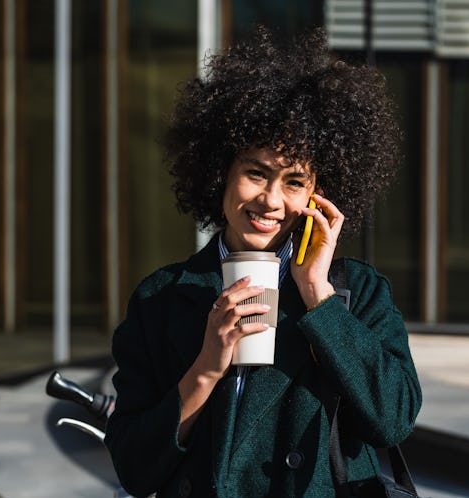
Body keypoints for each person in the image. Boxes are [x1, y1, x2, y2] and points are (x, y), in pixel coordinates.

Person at [104, 26, 422, 498]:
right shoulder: (162, 296)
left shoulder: (358, 290)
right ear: (221, 172)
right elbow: (134, 468)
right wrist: (208, 367)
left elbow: (393, 420)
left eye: (294, 182)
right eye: (256, 173)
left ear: (318, 194)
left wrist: (319, 296)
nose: (271, 200)